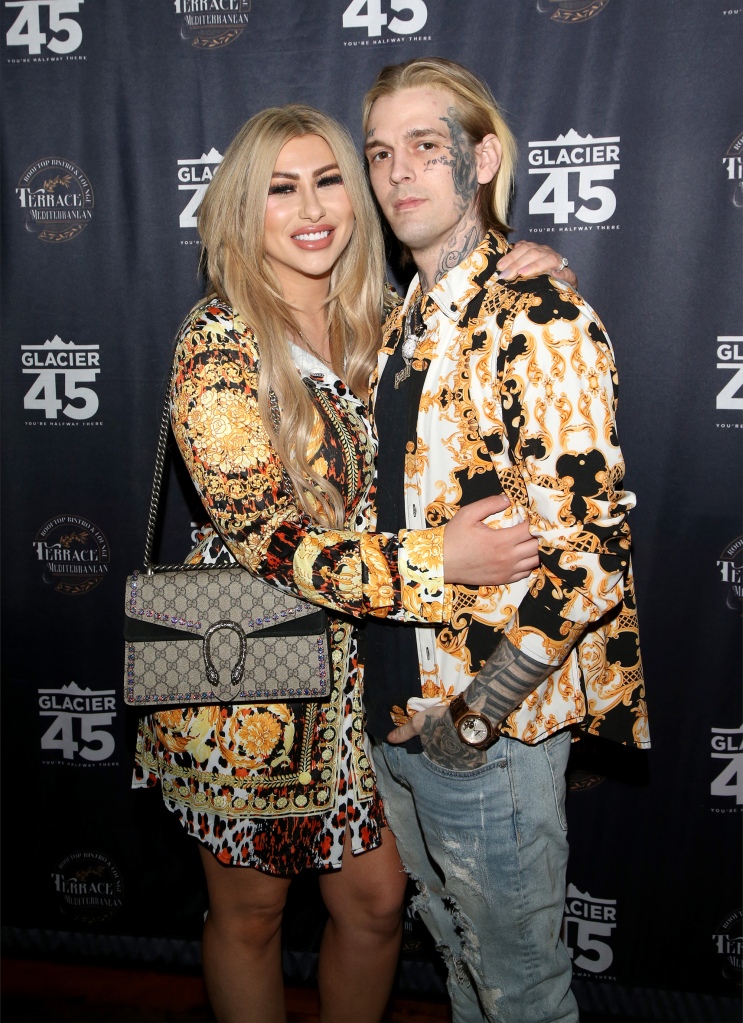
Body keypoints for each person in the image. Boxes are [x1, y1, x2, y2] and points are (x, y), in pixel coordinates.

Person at [132, 103, 573, 1023]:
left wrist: (521, 264)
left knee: (375, 903)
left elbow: (480, 316)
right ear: (240, 210)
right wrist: (439, 560)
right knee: (250, 912)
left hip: (370, 674)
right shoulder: (217, 341)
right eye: (280, 188)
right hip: (246, 670)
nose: (311, 208)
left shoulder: (382, 317)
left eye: (330, 179)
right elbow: (266, 538)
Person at [360, 57, 649, 1023]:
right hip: (399, 718)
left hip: (484, 733)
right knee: (460, 968)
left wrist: (474, 720)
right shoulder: (404, 320)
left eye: (425, 148)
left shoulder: (539, 315)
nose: (399, 173)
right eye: (380, 153)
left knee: (522, 994)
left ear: (481, 158)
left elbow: (592, 555)